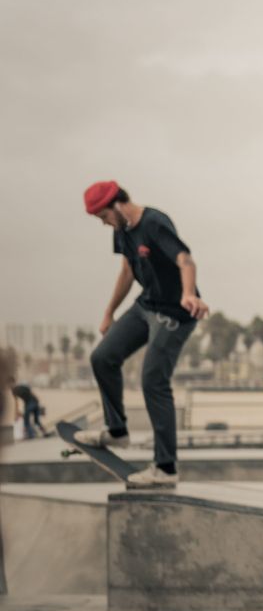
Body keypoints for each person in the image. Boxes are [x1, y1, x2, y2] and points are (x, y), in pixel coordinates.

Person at [75, 181, 208, 487]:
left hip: (175, 313)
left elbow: (185, 259)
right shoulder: (122, 230)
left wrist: (188, 294)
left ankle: (165, 467)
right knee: (102, 357)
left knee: (152, 380)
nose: (105, 223)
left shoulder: (155, 223)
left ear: (118, 205)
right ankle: (117, 431)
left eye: (104, 217)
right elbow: (126, 271)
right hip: (145, 305)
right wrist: (109, 312)